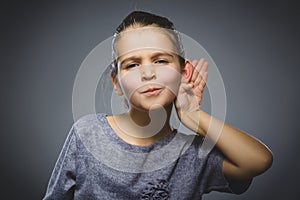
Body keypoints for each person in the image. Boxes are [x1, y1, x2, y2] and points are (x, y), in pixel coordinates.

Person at [43, 11, 273, 199]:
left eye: (161, 60)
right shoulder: (88, 133)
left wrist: (194, 116)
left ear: (184, 72)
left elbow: (258, 161)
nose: (148, 73)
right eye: (132, 65)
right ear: (117, 82)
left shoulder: (193, 154)